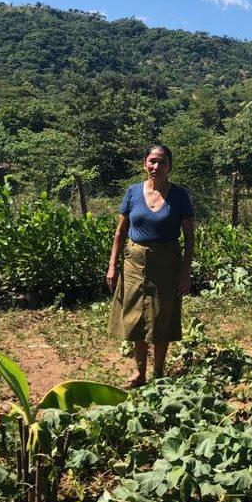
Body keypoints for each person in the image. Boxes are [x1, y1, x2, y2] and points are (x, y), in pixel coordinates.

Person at [106, 144, 194, 388]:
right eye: (152, 161)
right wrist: (112, 265)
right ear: (145, 163)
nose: (156, 167)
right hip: (134, 263)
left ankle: (159, 372)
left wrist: (185, 271)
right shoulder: (133, 192)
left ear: (170, 166)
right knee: (136, 318)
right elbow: (120, 231)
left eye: (162, 162)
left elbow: (189, 238)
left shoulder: (179, 196)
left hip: (167, 263)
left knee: (161, 316)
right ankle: (140, 373)